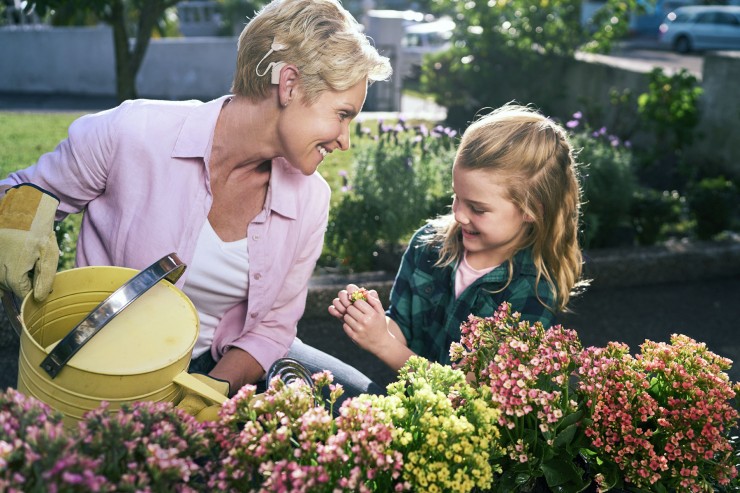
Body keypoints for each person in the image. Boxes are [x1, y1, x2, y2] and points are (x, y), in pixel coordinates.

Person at [0, 0, 391, 418]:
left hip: (221, 365)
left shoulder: (311, 198)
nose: (344, 140)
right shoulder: (134, 135)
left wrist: (215, 388)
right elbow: (23, 190)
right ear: (290, 85)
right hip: (113, 362)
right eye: (342, 115)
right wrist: (18, 222)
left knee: (366, 409)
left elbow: (273, 326)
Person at [328, 103, 588, 376]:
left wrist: (384, 345)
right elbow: (401, 328)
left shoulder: (534, 291)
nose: (459, 215)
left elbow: (471, 390)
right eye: (456, 197)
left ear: (532, 210)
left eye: (477, 208)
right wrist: (373, 323)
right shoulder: (426, 245)